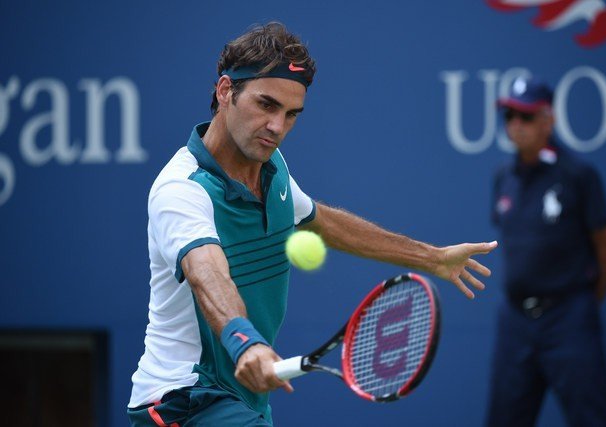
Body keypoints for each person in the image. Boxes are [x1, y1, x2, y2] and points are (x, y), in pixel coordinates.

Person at [127, 22, 498, 426]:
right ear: (225, 91)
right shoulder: (181, 189)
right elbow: (207, 274)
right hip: (184, 399)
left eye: (291, 115)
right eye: (266, 105)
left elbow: (322, 222)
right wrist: (246, 342)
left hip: (243, 397)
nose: (278, 128)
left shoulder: (273, 168)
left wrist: (434, 257)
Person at [487, 76, 606, 427]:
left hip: (569, 320)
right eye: (510, 116)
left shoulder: (580, 175)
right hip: (515, 323)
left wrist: (580, 308)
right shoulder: (504, 177)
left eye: (527, 116)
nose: (516, 125)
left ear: (549, 119)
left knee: (595, 419)